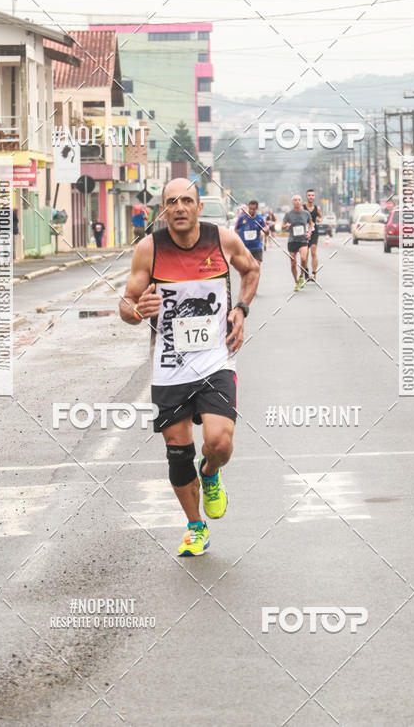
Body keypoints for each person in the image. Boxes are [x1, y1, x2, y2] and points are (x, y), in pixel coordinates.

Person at [119, 178, 260, 556]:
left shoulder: (223, 240)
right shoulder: (149, 249)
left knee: (219, 442)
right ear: (161, 211)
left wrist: (241, 309)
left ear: (199, 207)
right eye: (171, 202)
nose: (179, 207)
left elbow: (251, 269)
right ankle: (195, 527)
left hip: (216, 358)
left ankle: (211, 472)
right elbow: (127, 305)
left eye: (186, 200)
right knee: (178, 452)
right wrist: (137, 311)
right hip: (170, 367)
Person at [282, 195, 312, 290]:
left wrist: (309, 232)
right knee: (293, 263)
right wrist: (286, 225)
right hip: (292, 241)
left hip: (303, 240)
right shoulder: (288, 214)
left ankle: (302, 276)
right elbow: (282, 226)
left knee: (303, 259)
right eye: (295, 200)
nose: (297, 202)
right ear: (292, 202)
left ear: (301, 201)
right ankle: (296, 282)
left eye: (299, 200)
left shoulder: (306, 213)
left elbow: (311, 223)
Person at [234, 199, 269, 264]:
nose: (251, 211)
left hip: (257, 247)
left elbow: (265, 230)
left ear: (256, 209)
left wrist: (266, 231)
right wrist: (240, 234)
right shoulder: (242, 218)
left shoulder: (260, 219)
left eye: (253, 209)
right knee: (247, 269)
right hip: (245, 248)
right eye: (250, 209)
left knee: (256, 267)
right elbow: (236, 229)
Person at [303, 189, 323, 280]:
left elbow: (320, 216)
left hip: (314, 231)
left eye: (312, 195)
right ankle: (306, 271)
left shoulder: (317, 208)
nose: (311, 197)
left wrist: (319, 219)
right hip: (304, 232)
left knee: (313, 251)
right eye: (309, 195)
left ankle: (314, 273)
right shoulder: (302, 208)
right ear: (306, 197)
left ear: (314, 197)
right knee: (305, 253)